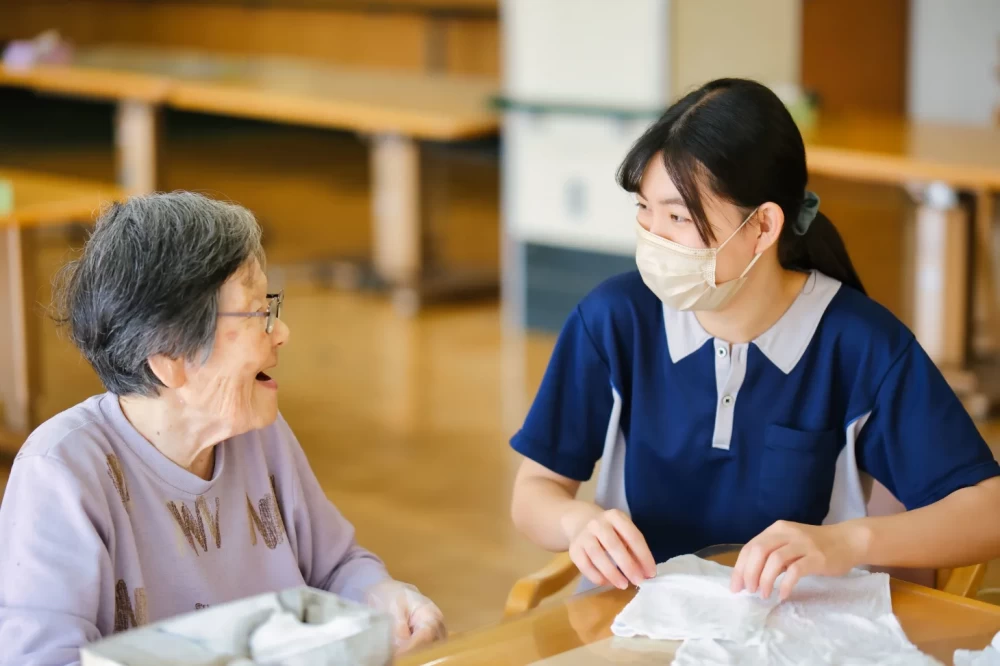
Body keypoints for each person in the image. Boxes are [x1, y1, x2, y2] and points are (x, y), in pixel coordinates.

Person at [509, 78, 1000, 602]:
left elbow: (987, 510)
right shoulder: (612, 321)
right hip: (635, 623)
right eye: (644, 210)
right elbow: (534, 492)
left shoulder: (860, 345)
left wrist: (848, 542)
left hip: (797, 629)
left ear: (763, 226)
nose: (653, 237)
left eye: (677, 217)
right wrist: (576, 522)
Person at [0, 192, 445, 664]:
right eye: (257, 313)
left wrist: (386, 598)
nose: (282, 332)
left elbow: (336, 568)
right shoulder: (62, 473)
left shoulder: (259, 434)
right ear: (170, 355)